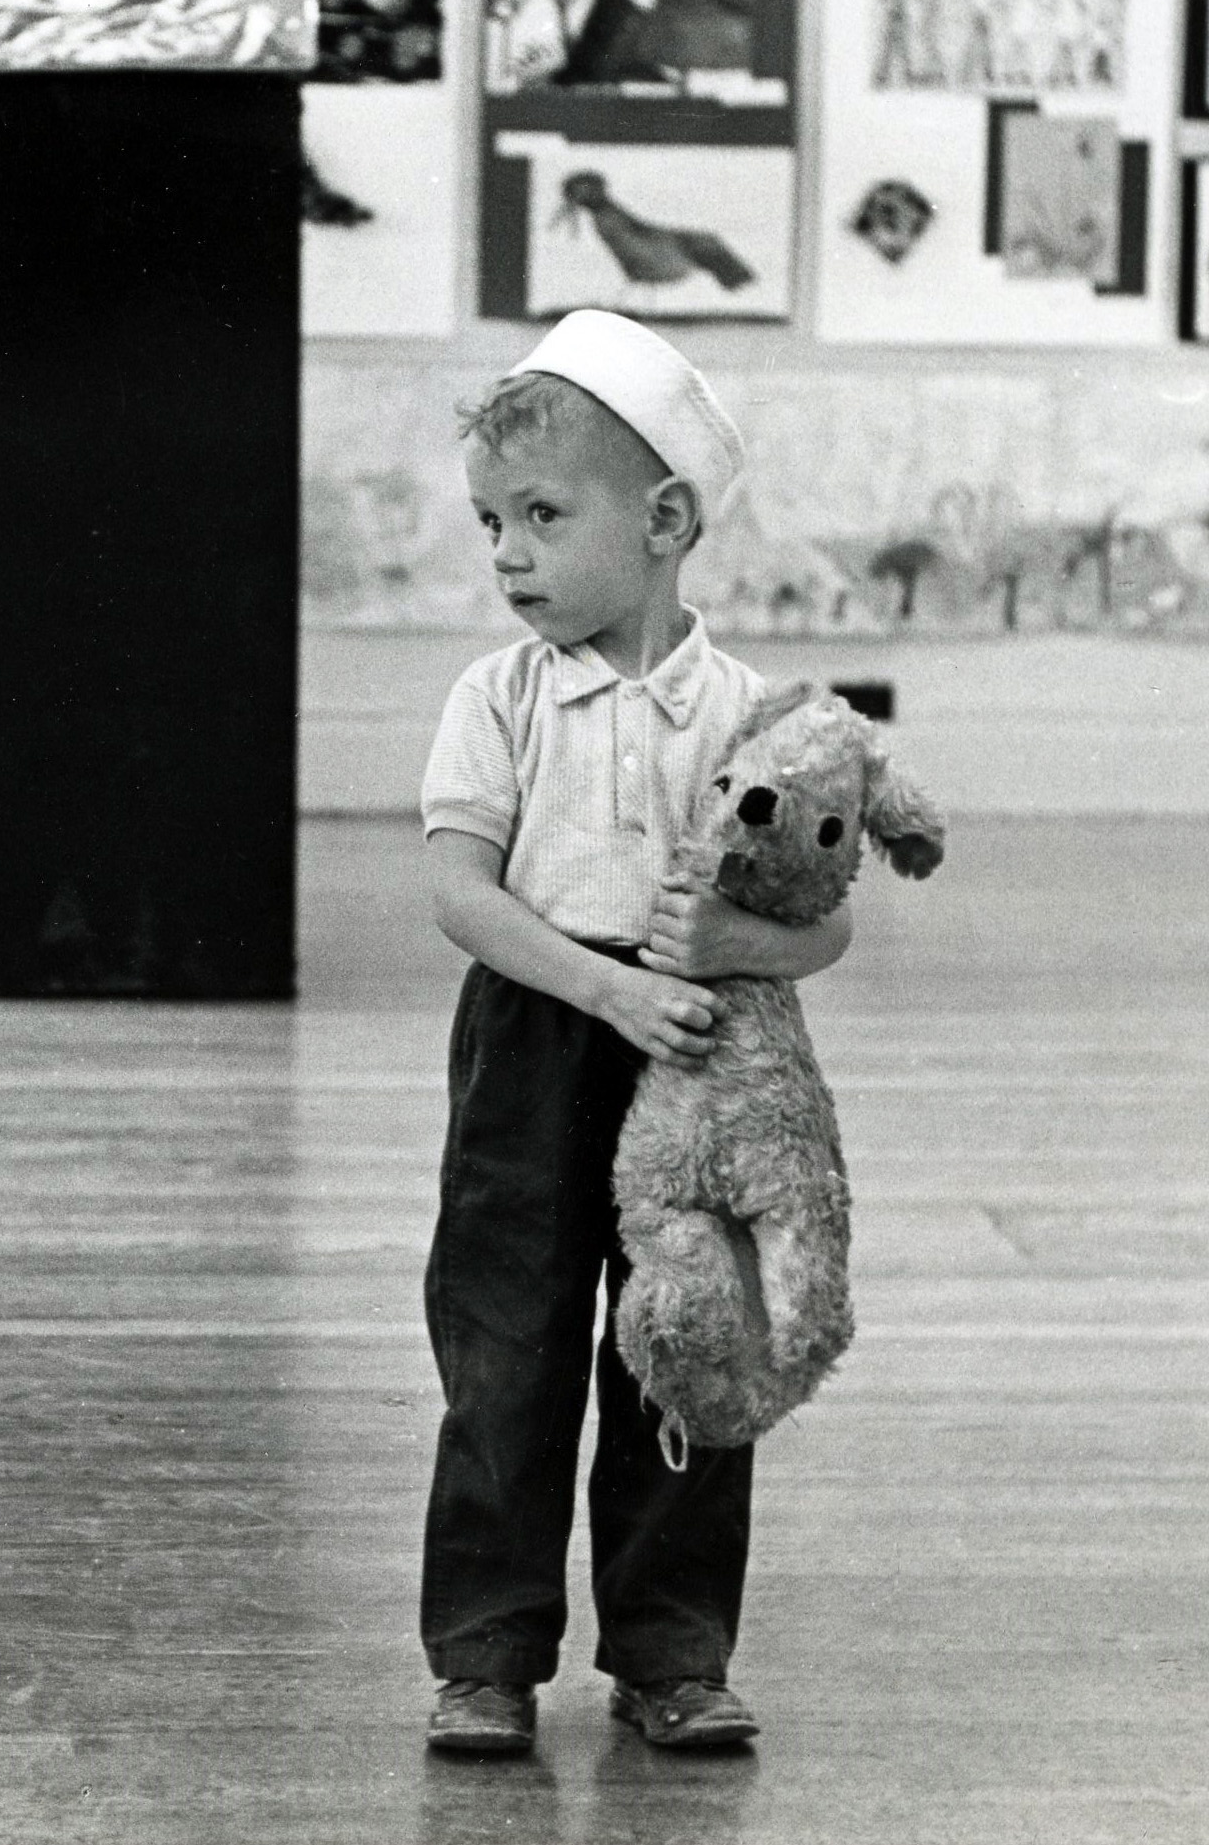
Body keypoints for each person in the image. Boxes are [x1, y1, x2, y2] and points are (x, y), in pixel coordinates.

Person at [417, 310, 856, 1759]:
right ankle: (486, 1648)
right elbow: (459, 895)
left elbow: (824, 920)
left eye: (543, 515)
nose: (509, 554)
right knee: (505, 1340)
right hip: (536, 1046)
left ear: (664, 518)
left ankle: (671, 1647)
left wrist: (735, 946)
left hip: (705, 1068)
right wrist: (603, 987)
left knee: (689, 1343)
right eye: (492, 521)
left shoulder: (753, 716)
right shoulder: (498, 699)